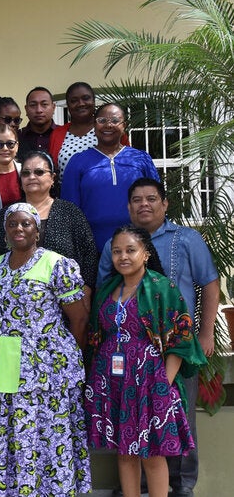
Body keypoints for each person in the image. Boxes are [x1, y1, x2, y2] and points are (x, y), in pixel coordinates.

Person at [97, 178, 219, 497]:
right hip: (122, 371)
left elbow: (209, 284)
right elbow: (102, 308)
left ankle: (182, 486)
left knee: (172, 426)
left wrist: (206, 333)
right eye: (137, 200)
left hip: (166, 359)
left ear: (164, 203)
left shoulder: (185, 241)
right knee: (128, 440)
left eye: (151, 198)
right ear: (128, 207)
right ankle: (134, 489)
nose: (144, 204)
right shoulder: (112, 260)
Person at [0, 203, 91, 497]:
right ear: (5, 231)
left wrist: (66, 360)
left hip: (48, 368)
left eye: (26, 224)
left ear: (37, 230)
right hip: (5, 364)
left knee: (48, 431)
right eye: (12, 224)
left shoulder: (56, 264)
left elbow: (79, 319)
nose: (19, 229)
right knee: (12, 430)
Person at [0, 151, 98, 298]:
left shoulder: (69, 212)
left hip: (66, 299)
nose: (31, 177)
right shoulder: (8, 214)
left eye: (39, 172)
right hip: (17, 300)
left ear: (53, 178)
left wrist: (86, 290)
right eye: (26, 173)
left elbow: (89, 253)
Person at [61, 103, 160, 251]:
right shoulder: (78, 161)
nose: (108, 125)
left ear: (124, 126)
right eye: (102, 120)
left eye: (115, 121)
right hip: (92, 246)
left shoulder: (140, 158)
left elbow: (156, 201)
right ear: (94, 125)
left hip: (138, 243)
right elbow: (70, 210)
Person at [48, 82, 131, 178]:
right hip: (66, 187)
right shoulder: (57, 134)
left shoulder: (111, 131)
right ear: (68, 104)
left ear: (94, 101)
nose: (81, 104)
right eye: (74, 100)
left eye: (86, 98)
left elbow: (128, 163)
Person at [18, 86, 57, 156]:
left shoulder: (65, 135)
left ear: (53, 108)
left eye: (44, 104)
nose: (39, 110)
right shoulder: (17, 137)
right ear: (26, 109)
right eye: (33, 105)